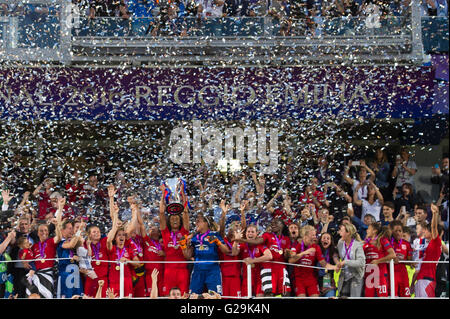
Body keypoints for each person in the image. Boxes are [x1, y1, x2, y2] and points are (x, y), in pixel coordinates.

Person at [235, 218, 291, 296]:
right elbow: (257, 242)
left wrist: (288, 253)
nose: (273, 224)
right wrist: (240, 240)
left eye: (276, 222)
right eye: (272, 223)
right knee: (268, 293)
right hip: (267, 268)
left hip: (281, 268)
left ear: (282, 225)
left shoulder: (286, 239)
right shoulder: (267, 236)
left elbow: (285, 256)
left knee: (285, 293)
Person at [184, 212, 230, 295]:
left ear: (206, 223)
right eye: (196, 221)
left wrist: (217, 241)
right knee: (193, 296)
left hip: (212, 270)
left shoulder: (214, 234)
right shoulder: (194, 238)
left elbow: (226, 251)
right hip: (197, 270)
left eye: (199, 221)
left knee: (215, 296)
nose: (196, 223)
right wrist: (186, 245)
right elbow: (188, 256)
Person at [158, 184, 191, 296]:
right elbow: (161, 213)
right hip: (169, 270)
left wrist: (182, 193)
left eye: (177, 218)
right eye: (172, 218)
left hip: (182, 270)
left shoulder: (184, 231)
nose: (175, 220)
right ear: (169, 221)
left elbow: (186, 212)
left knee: (183, 296)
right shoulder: (165, 232)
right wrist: (163, 194)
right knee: (168, 296)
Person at [288, 225, 336, 297]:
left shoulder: (316, 247)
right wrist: (304, 253)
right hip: (299, 280)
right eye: (313, 235)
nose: (315, 237)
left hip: (312, 280)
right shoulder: (297, 245)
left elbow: (323, 264)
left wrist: (335, 267)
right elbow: (290, 261)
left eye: (315, 235)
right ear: (305, 235)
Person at [412, 203, 442, 297]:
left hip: (426, 279)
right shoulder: (428, 244)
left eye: (427, 231)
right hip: (422, 278)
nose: (424, 232)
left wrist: (434, 214)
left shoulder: (436, 242)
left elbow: (433, 227)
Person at [234, 224, 272, 297]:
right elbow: (234, 252)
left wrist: (253, 260)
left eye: (252, 232)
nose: (250, 233)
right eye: (248, 232)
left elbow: (269, 256)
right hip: (246, 277)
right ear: (245, 234)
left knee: (260, 297)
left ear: (257, 234)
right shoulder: (243, 245)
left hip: (259, 277)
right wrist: (236, 240)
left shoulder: (259, 245)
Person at [218, 200, 244, 298]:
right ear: (229, 226)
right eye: (234, 224)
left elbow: (234, 253)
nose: (237, 227)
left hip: (235, 276)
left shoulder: (239, 241)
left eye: (238, 225)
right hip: (223, 275)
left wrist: (242, 213)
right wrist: (224, 214)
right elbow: (221, 229)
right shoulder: (223, 239)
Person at [362, 223, 396, 297]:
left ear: (374, 230)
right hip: (368, 273)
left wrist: (378, 261)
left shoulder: (382, 240)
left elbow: (393, 254)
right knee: (368, 297)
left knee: (382, 296)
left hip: (380, 272)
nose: (367, 230)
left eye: (369, 228)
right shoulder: (366, 243)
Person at [335, 223, 365, 297]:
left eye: (341, 231)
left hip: (356, 276)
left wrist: (345, 262)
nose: (339, 233)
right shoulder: (340, 243)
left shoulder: (358, 245)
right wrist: (338, 263)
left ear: (348, 233)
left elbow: (361, 262)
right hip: (344, 276)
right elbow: (337, 256)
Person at [389, 220, 413, 297]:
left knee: (405, 296)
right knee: (393, 296)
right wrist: (392, 259)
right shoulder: (387, 243)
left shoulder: (407, 244)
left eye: (400, 231)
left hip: (403, 273)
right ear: (392, 231)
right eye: (396, 231)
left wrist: (400, 260)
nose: (398, 233)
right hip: (391, 272)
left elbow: (410, 261)